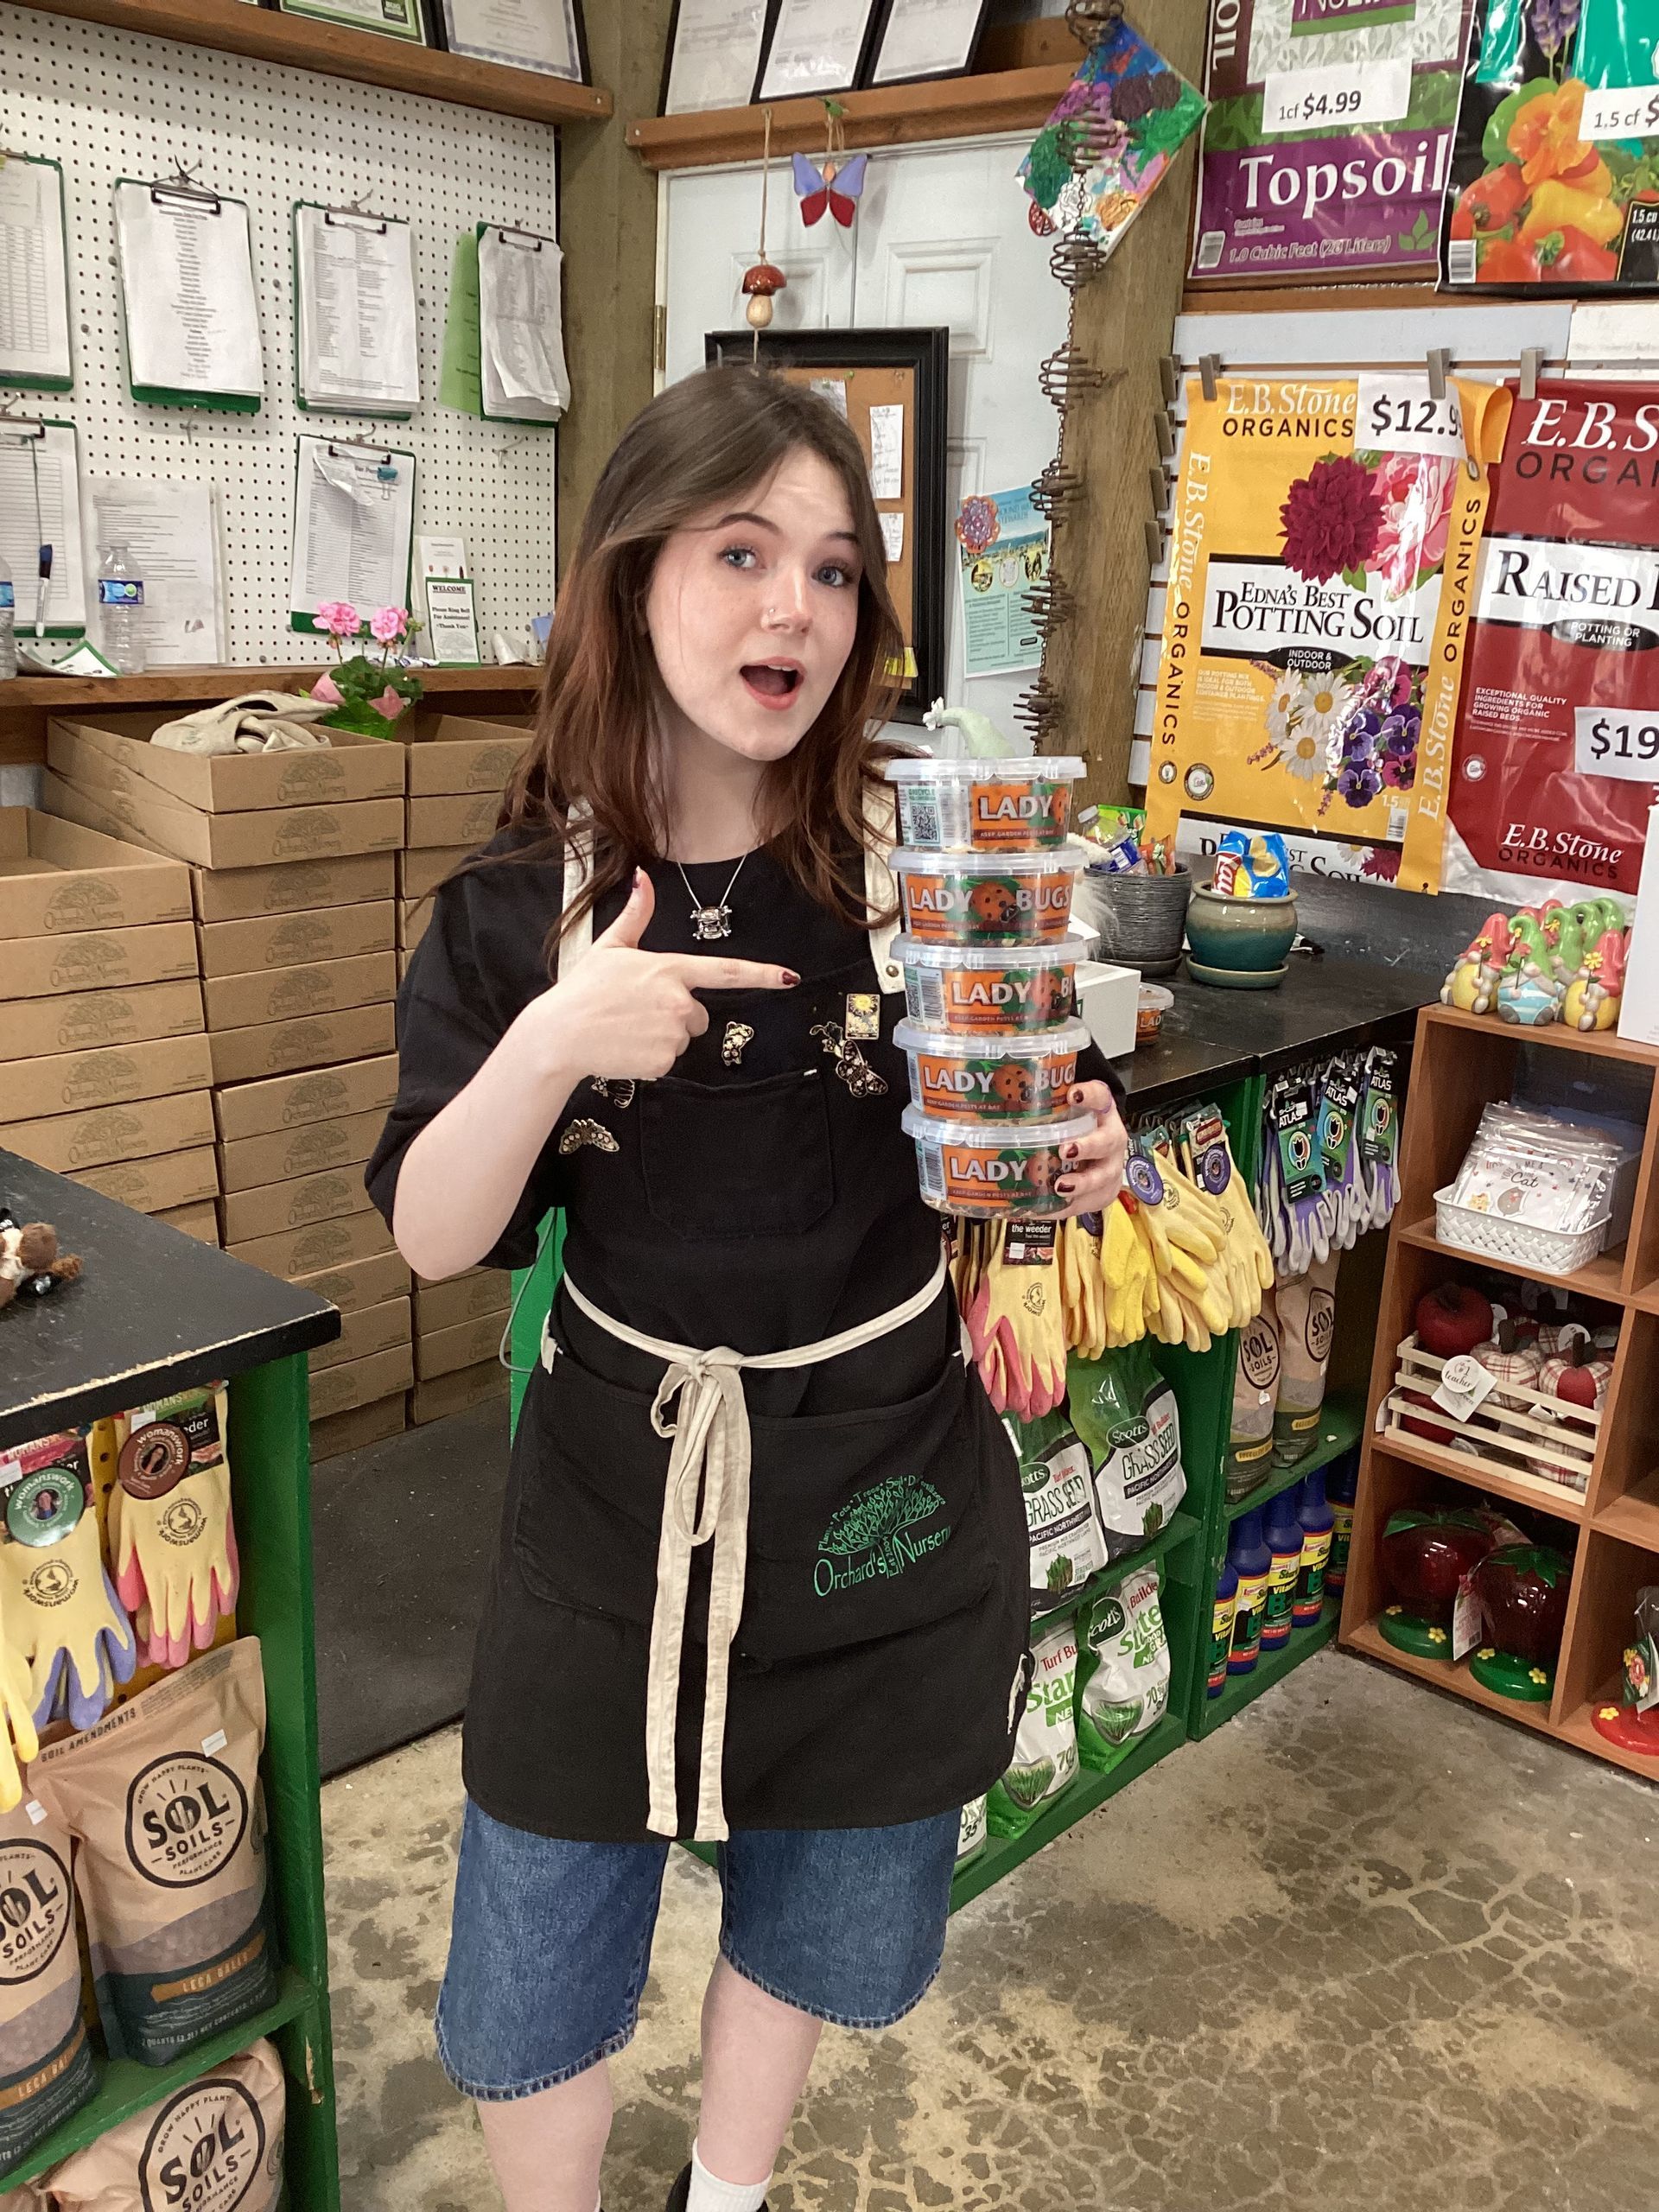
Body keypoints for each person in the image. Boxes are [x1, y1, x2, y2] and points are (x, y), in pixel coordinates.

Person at [366, 365, 1128, 2212]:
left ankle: (730, 2192)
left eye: (836, 569)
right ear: (635, 578)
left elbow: (1002, 1139)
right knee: (544, 1904)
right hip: (618, 1480)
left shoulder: (912, 869)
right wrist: (553, 1040)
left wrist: (1066, 1146)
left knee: (818, 1879)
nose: (795, 605)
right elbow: (432, 1233)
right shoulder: (519, 899)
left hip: (879, 1465)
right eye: (739, 552)